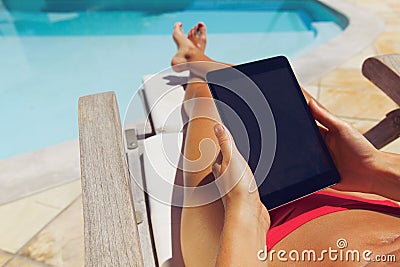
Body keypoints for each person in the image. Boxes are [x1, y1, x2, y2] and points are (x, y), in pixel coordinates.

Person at [171, 22, 400, 266]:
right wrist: (375, 170)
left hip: (250, 242)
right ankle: (197, 58)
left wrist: (244, 212)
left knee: (209, 99)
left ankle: (192, 65)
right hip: (356, 197)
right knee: (274, 94)